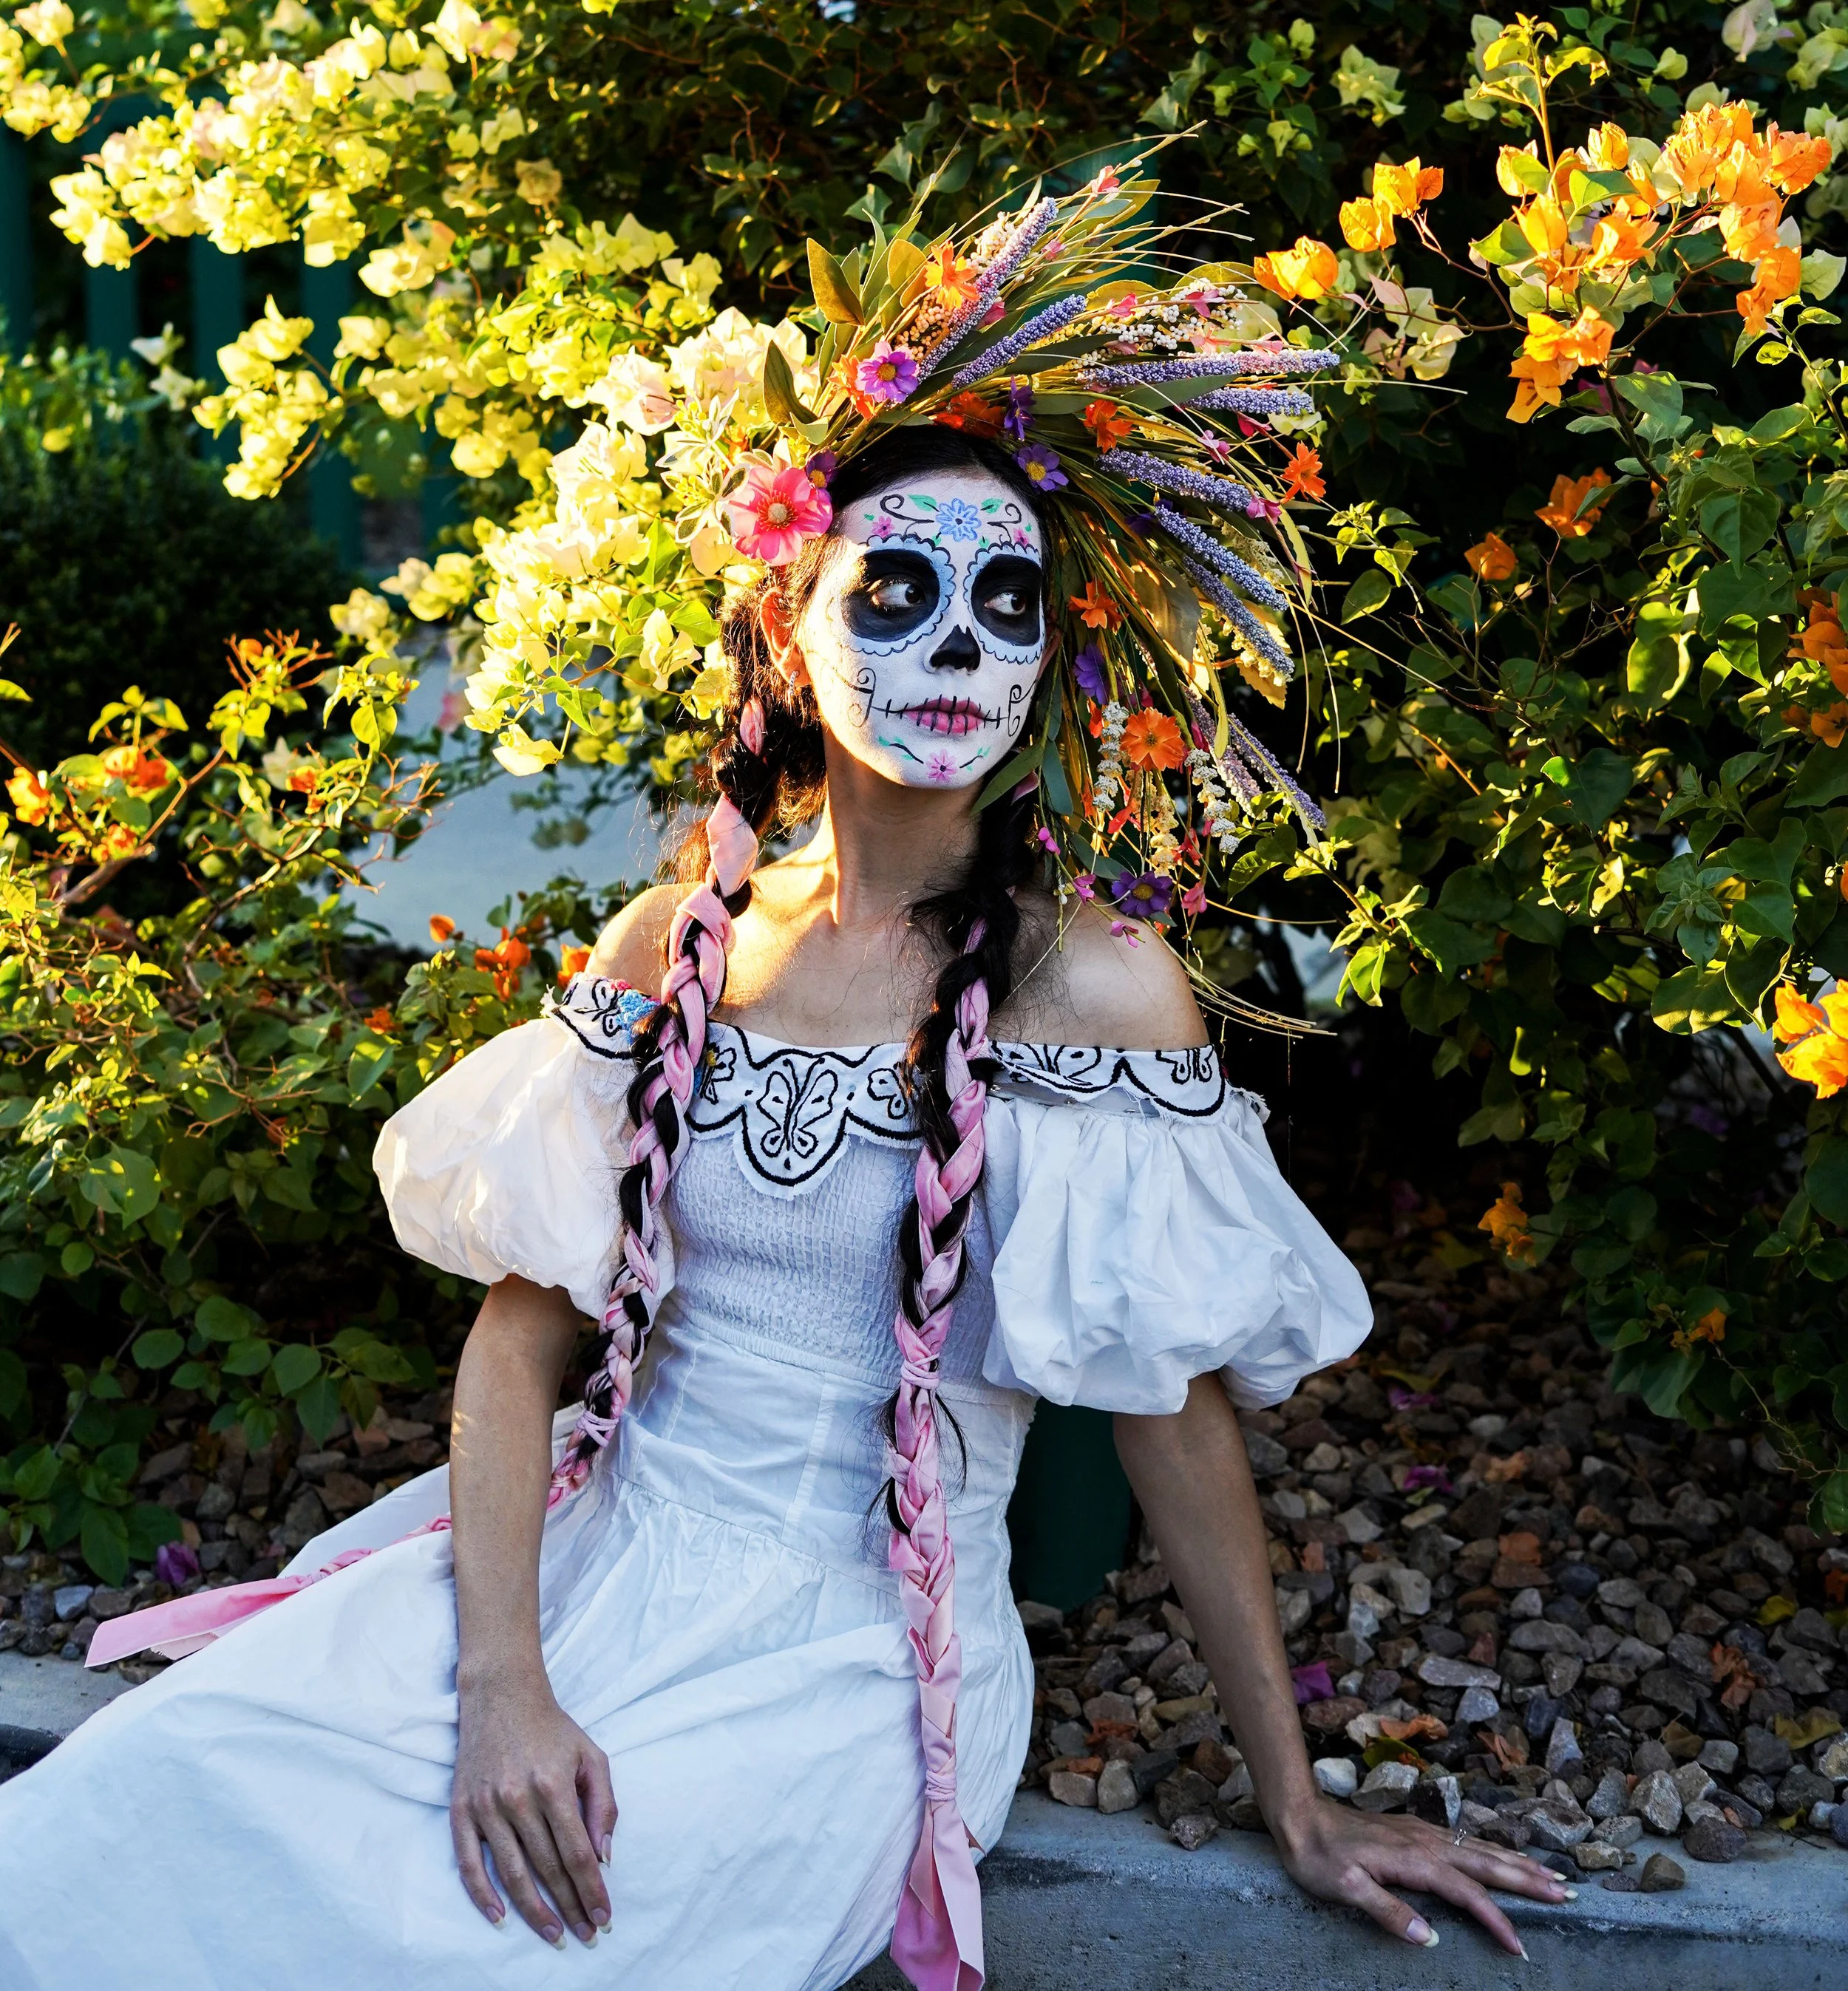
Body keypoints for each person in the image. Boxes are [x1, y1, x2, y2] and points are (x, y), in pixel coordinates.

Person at [0, 180, 1571, 1986]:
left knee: (516, 1952)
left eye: (1006, 601)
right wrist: (502, 1684)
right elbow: (521, 1347)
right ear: (785, 628)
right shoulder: (678, 938)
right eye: (893, 592)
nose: (959, 646)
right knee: (148, 1801)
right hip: (589, 1571)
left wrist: (1294, 1801)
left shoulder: (1100, 986)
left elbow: (1167, 1420)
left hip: (848, 1659)